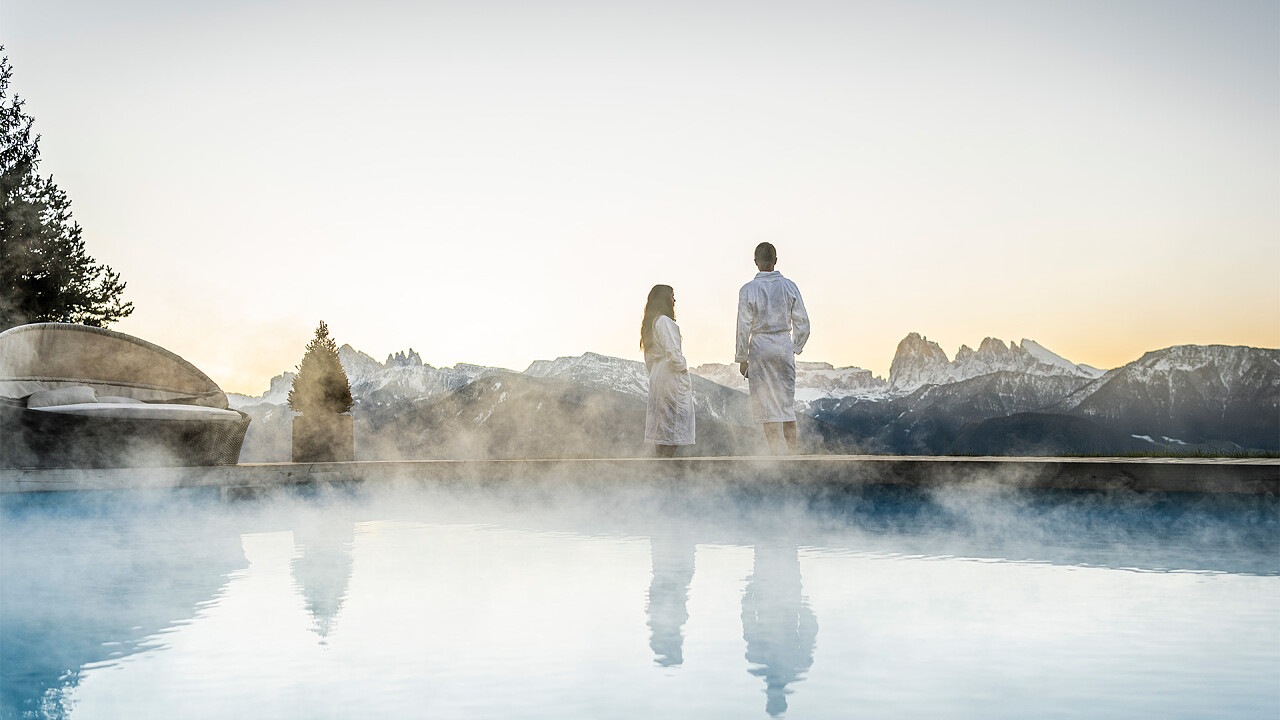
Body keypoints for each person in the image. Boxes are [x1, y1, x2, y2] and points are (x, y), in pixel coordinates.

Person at [735, 242, 809, 454]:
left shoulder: (748, 289)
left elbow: (743, 326)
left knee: (767, 407)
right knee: (786, 404)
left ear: (755, 262)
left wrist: (742, 357)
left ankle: (775, 456)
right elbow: (803, 323)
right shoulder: (789, 286)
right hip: (782, 345)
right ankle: (793, 453)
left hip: (759, 347)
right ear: (776, 261)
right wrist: (794, 347)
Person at [641, 284, 695, 457]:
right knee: (675, 424)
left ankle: (660, 468)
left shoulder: (651, 325)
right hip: (670, 377)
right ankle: (664, 467)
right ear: (664, 299)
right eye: (672, 296)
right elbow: (673, 354)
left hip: (657, 375)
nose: (674, 300)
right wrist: (683, 368)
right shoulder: (665, 322)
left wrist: (656, 374)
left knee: (662, 426)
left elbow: (648, 359)